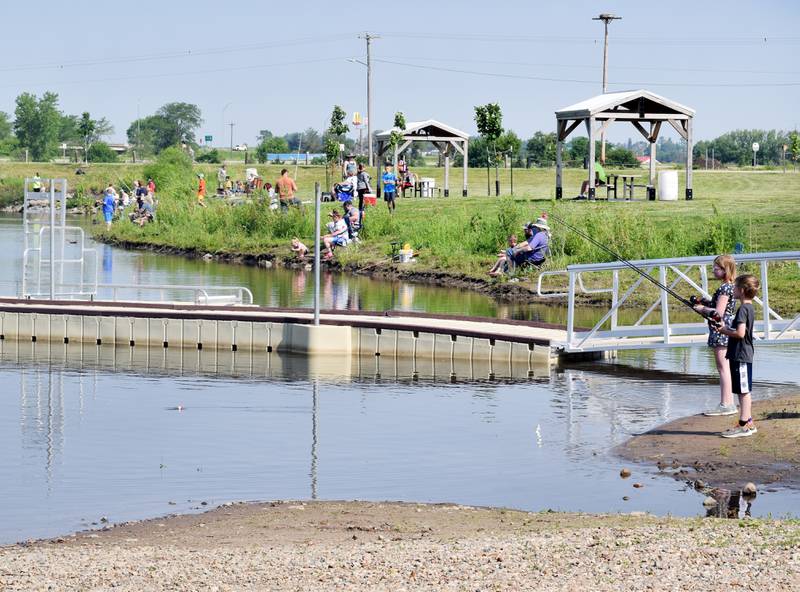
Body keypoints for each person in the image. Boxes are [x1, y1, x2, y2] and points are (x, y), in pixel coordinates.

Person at [712, 275, 760, 438]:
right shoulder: (749, 308)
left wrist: (722, 330)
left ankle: (744, 425)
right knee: (742, 390)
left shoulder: (742, 310)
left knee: (744, 391)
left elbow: (740, 333)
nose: (732, 290)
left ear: (741, 290)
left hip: (741, 355)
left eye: (734, 288)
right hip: (741, 354)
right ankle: (747, 422)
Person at [692, 255, 738, 416]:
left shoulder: (725, 288)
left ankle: (726, 404)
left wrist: (702, 309)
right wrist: (706, 302)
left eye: (716, 268)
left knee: (722, 368)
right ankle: (729, 403)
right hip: (725, 330)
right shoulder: (730, 286)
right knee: (725, 368)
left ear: (725, 270)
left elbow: (718, 313)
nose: (713, 270)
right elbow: (718, 307)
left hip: (721, 330)